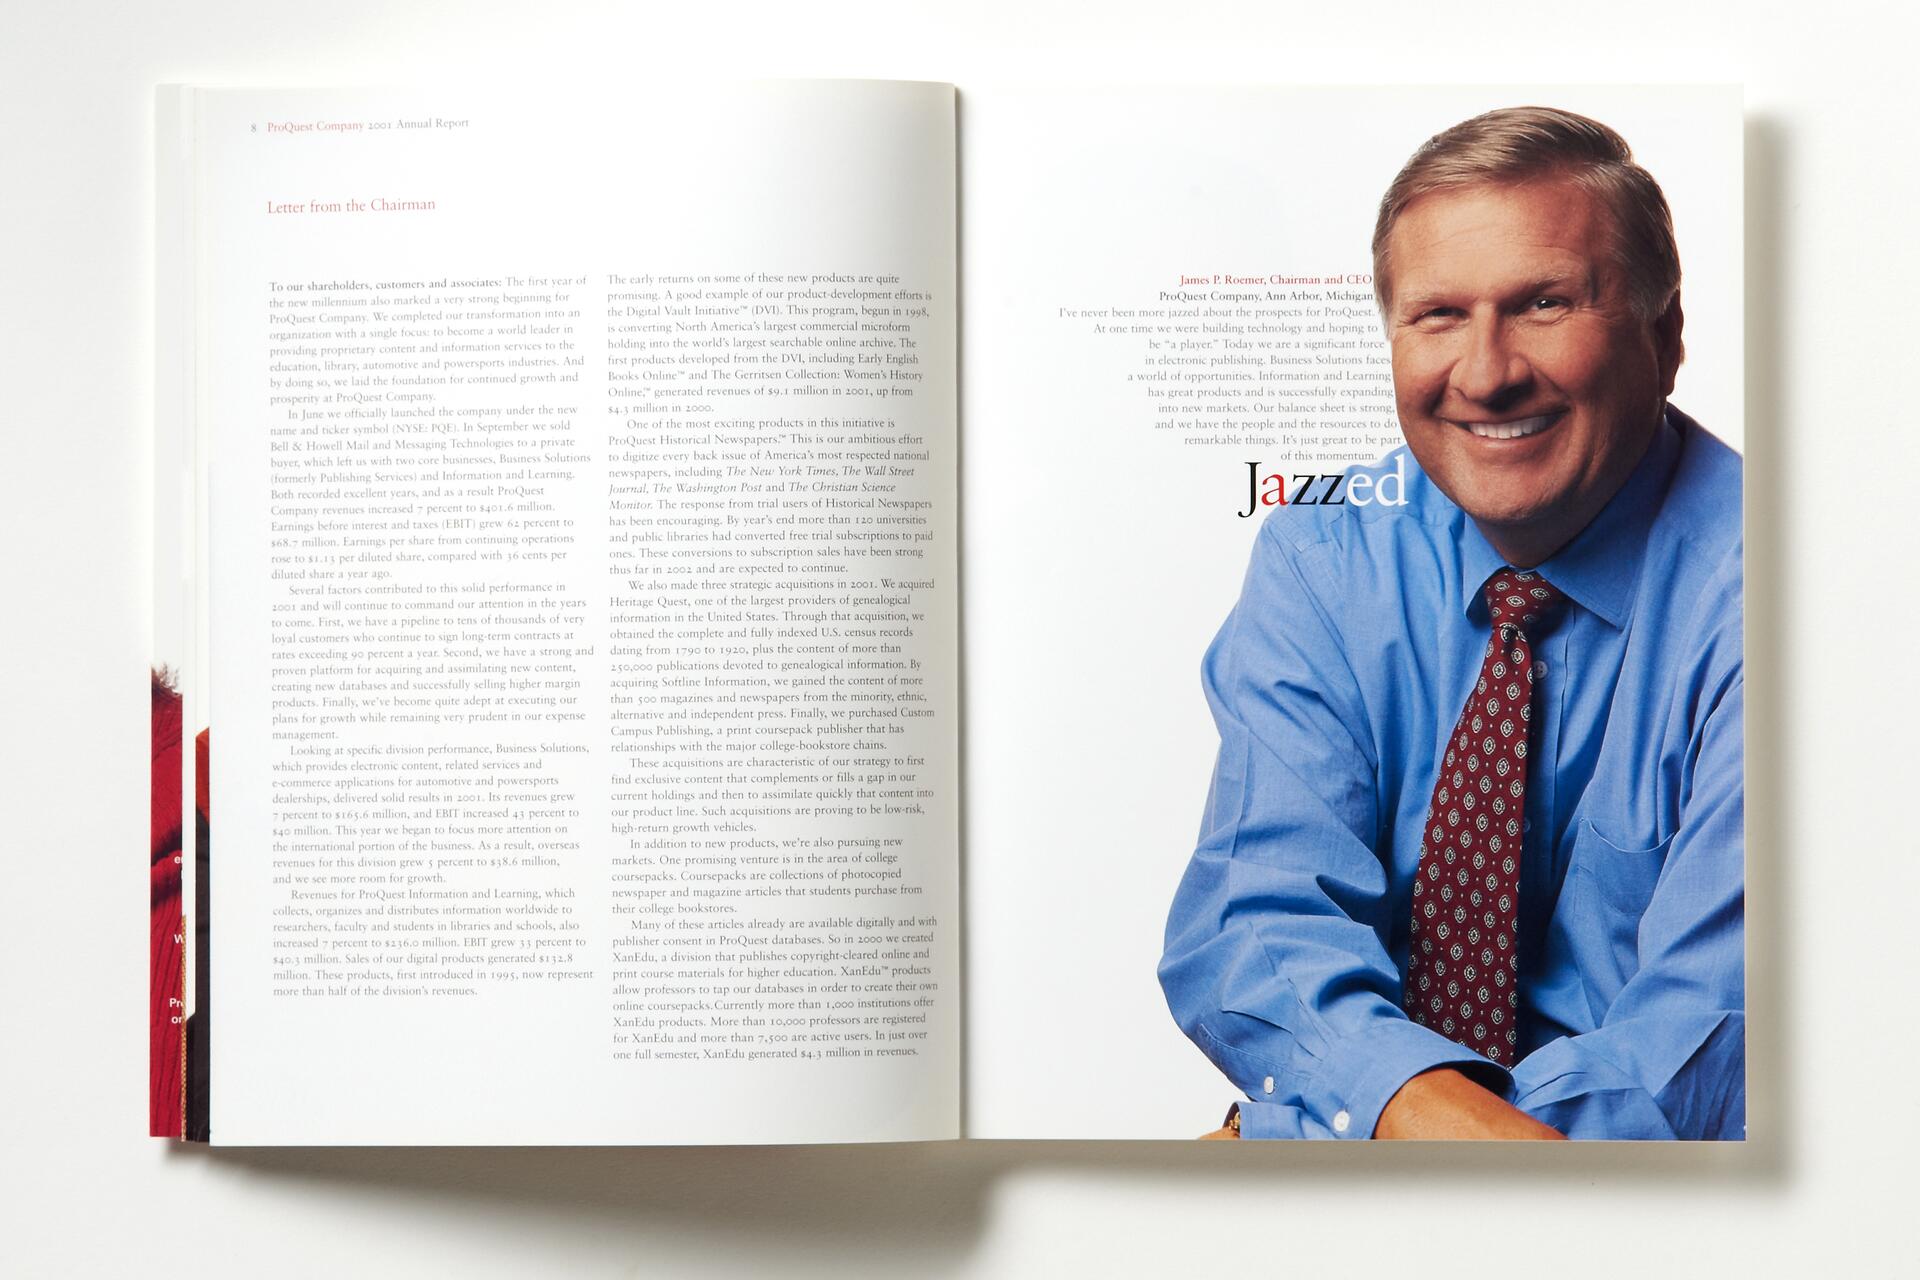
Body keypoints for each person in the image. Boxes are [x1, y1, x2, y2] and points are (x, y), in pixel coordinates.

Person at [1159, 107, 1743, 1140]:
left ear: (1666, 333)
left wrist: (1306, 1135)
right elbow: (1255, 935)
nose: (1485, 372)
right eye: (1437, 316)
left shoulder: (1782, 592)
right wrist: (1418, 1122)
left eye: (1544, 303)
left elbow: (1708, 1050)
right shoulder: (1326, 557)